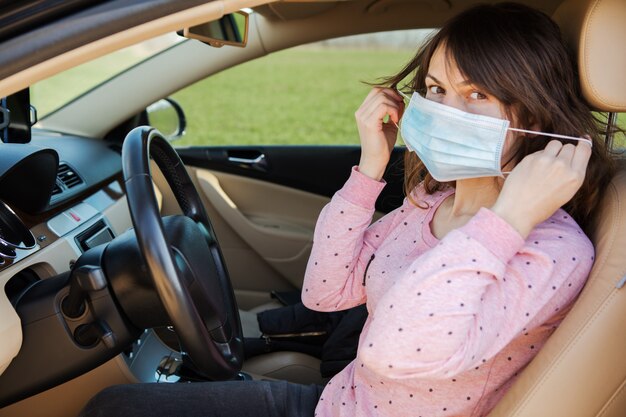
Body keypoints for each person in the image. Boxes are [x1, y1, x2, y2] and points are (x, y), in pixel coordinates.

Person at [79, 3, 616, 417]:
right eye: (435, 89)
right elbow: (326, 291)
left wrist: (506, 220)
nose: (447, 111)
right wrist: (370, 168)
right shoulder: (435, 201)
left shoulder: (551, 250)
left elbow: (394, 352)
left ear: (534, 108)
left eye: (476, 95)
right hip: (335, 401)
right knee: (112, 406)